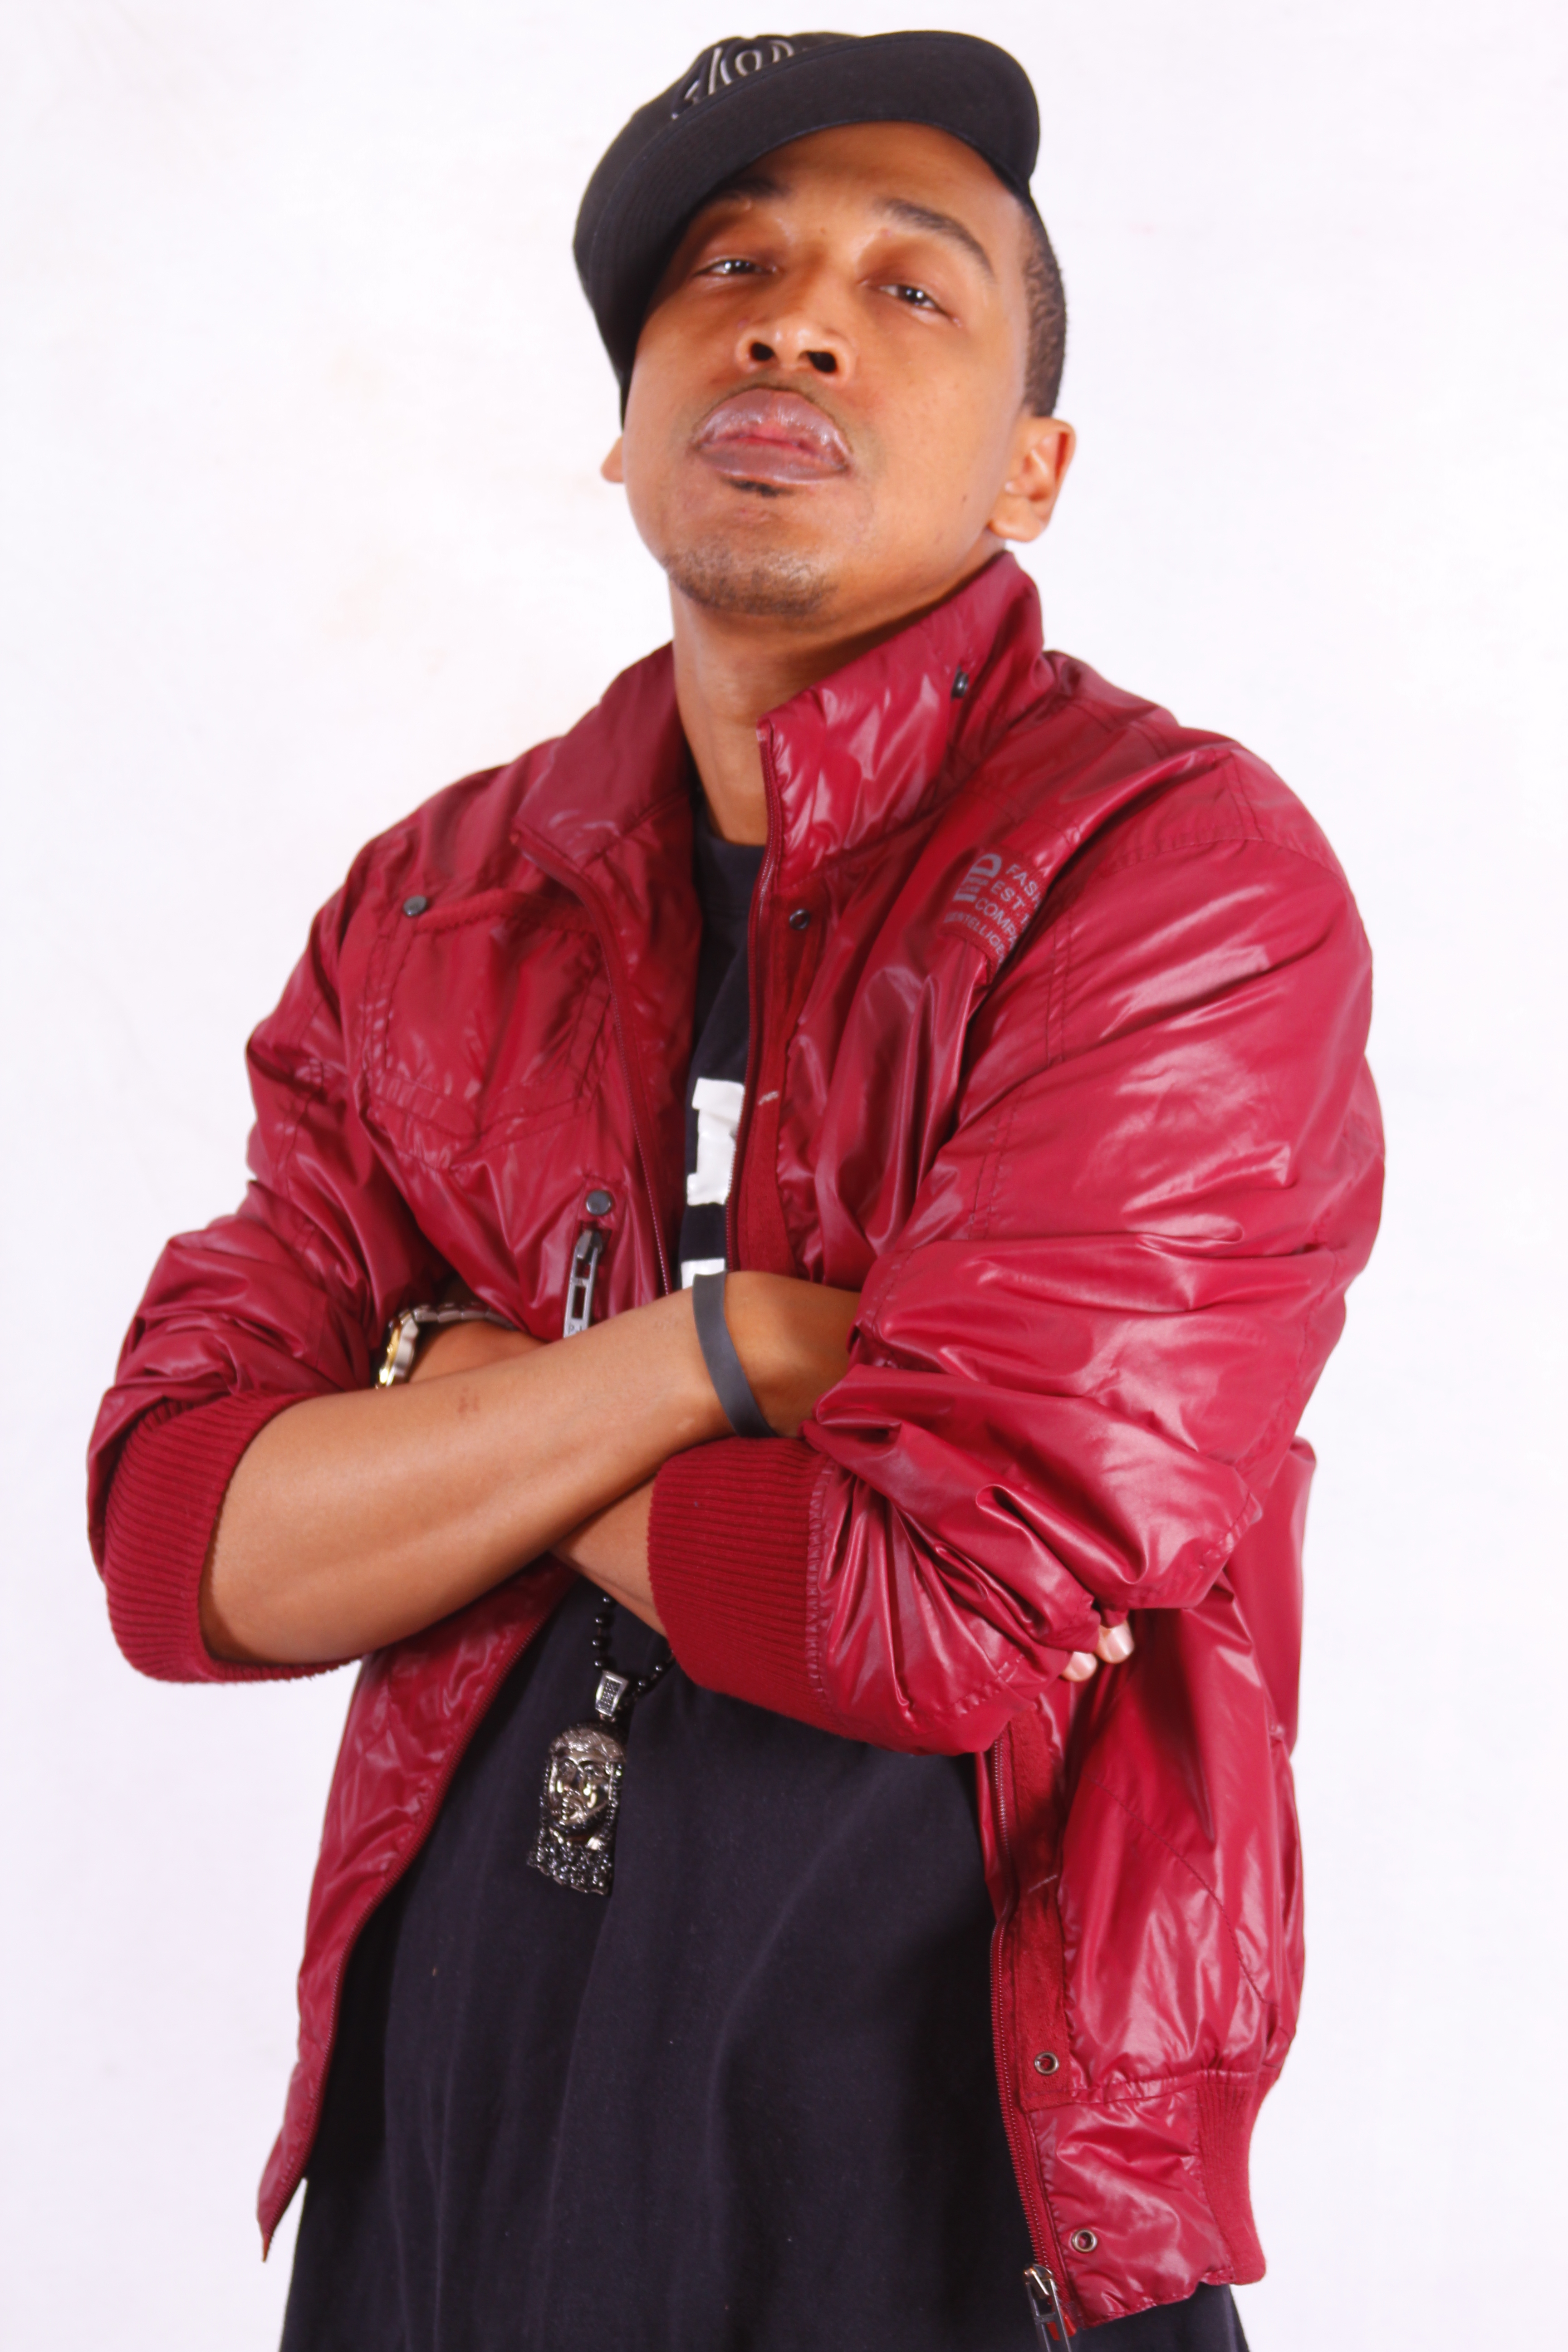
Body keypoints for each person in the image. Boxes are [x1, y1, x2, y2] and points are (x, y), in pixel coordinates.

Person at [88, 30, 1382, 2349]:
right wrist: (718, 1355)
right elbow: (187, 1544)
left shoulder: (1175, 879)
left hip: (949, 2181)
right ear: (626, 423)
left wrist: (459, 1401)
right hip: (451, 2160)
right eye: (731, 270)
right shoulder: (441, 904)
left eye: (911, 288)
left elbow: (933, 1616)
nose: (794, 326)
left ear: (1036, 467)